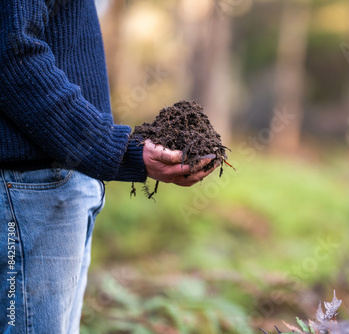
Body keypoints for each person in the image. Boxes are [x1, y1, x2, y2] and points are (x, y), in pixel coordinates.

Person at [0, 1, 218, 333]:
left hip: (53, 189)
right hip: (32, 194)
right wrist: (114, 149)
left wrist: (121, 153)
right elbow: (12, 56)